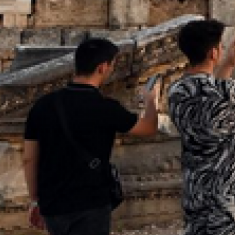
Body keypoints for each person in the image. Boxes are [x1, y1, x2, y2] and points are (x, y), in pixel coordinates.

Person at [23, 38, 160, 235]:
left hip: (53, 203)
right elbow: (148, 128)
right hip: (91, 202)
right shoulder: (106, 108)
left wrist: (34, 200)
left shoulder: (43, 105)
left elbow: (29, 158)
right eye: (112, 65)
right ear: (102, 67)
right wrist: (151, 101)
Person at [168, 19, 235, 235]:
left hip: (195, 190)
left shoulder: (176, 91)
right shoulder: (228, 92)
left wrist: (227, 63)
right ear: (213, 53)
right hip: (227, 196)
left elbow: (211, 96)